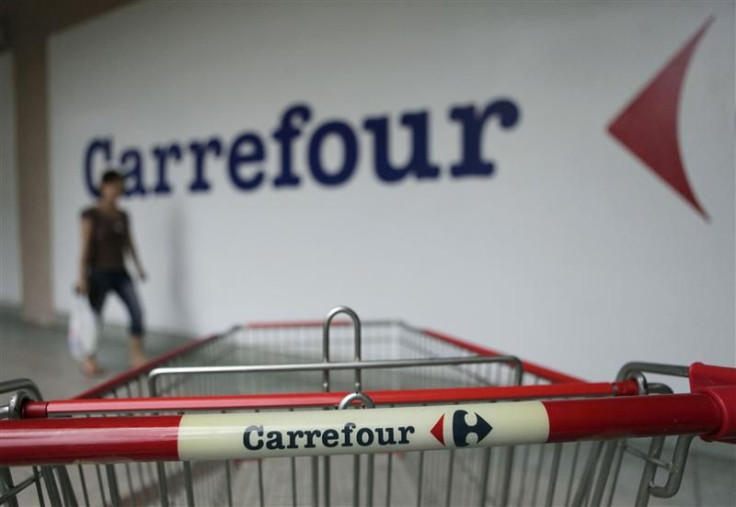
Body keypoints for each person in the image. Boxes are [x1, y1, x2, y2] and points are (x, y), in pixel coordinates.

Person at [76, 170, 147, 375]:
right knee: (93, 318)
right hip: (98, 274)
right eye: (114, 186)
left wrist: (138, 266)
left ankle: (136, 356)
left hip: (120, 272)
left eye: (120, 187)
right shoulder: (91, 214)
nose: (118, 191)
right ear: (103, 187)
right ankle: (88, 359)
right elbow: (85, 247)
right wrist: (82, 277)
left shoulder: (123, 216)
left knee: (137, 312)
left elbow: (129, 243)